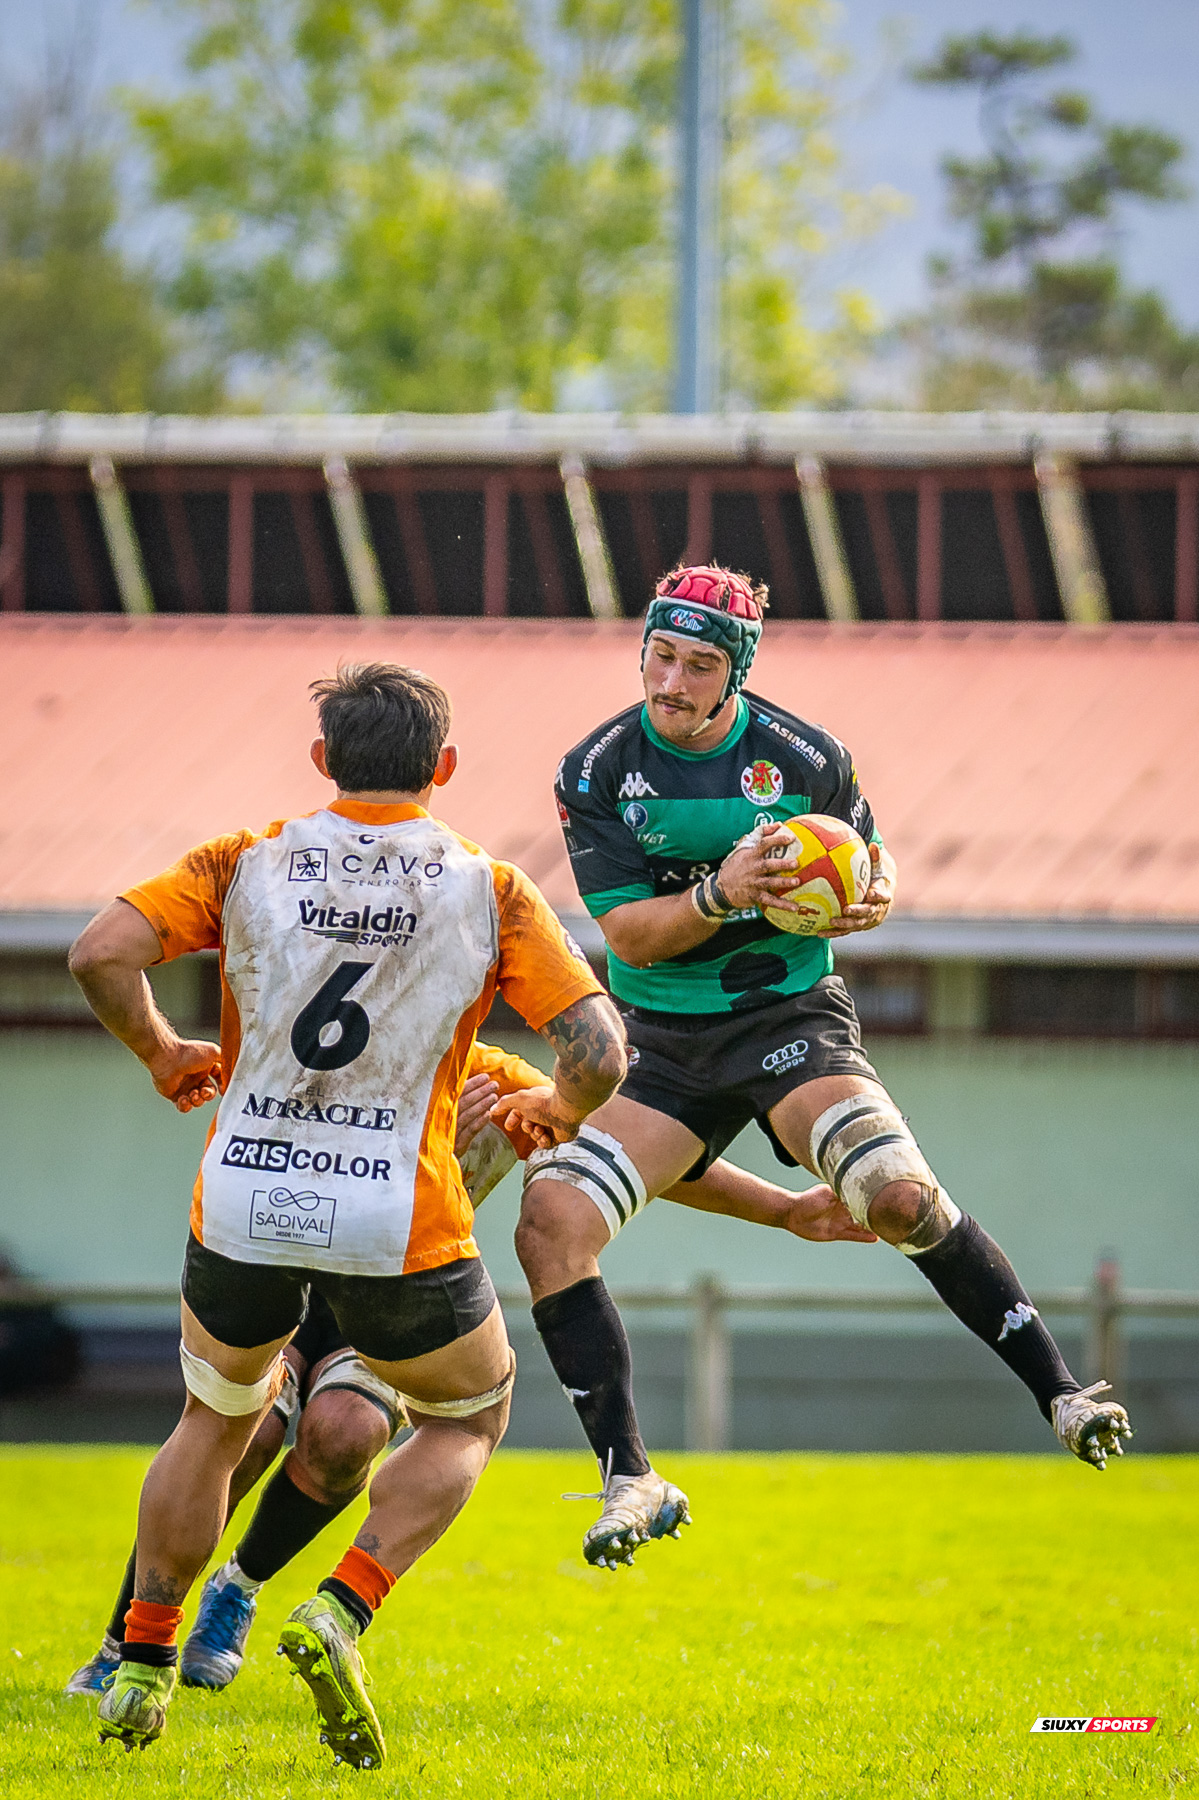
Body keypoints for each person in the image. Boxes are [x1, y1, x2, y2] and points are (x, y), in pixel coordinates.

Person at [504, 563, 1133, 1571]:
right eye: (657, 655)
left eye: (697, 664)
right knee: (550, 1222)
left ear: (736, 671)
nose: (668, 681)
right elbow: (628, 931)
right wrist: (719, 894)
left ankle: (1058, 1393)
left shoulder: (806, 757)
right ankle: (631, 1475)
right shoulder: (596, 769)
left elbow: (868, 864)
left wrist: (867, 892)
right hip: (662, 1040)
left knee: (892, 1198)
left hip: (788, 1016)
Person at [67, 662, 627, 1767]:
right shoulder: (489, 886)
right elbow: (603, 1051)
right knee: (469, 1417)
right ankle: (341, 1604)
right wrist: (555, 1109)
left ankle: (141, 1657)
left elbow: (99, 952)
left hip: (243, 1199)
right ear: (445, 769)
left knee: (213, 1422)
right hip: (395, 1218)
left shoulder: (245, 861)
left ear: (321, 762)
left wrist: (159, 1049)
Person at [67, 1043, 873, 1695]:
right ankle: (123, 1643)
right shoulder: (314, 1055)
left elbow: (639, 1152)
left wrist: (785, 1208)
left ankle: (235, 1592)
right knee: (238, 1440)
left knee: (344, 1432)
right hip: (275, 1275)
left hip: (389, 1304)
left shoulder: (494, 1079)